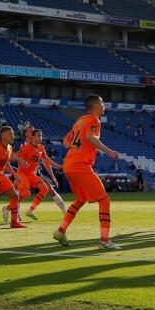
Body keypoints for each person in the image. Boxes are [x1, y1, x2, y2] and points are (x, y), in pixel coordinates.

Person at [52, 95, 121, 249]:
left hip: (69, 164)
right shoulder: (94, 120)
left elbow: (65, 141)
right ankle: (105, 240)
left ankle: (61, 231)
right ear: (95, 106)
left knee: (81, 199)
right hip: (80, 165)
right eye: (102, 103)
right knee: (104, 200)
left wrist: (75, 150)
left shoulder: (80, 121)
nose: (104, 106)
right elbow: (91, 137)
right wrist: (110, 152)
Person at [17, 129, 67, 220]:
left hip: (34, 173)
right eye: (38, 135)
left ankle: (64, 210)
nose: (40, 137)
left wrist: (54, 173)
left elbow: (46, 161)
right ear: (29, 135)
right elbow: (16, 157)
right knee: (24, 193)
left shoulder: (40, 147)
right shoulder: (24, 146)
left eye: (41, 135)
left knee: (48, 189)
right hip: (23, 173)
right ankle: (15, 213)